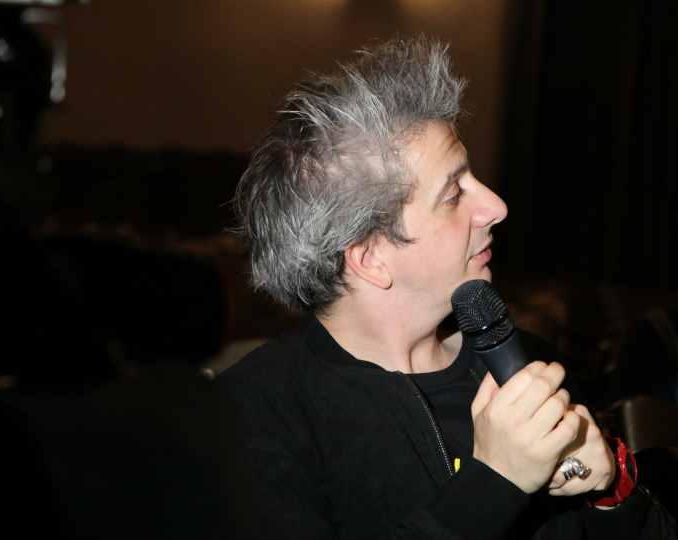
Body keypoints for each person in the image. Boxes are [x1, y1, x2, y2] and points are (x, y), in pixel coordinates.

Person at [214, 36, 674, 539]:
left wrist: (612, 492)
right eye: (454, 193)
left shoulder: (525, 362)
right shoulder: (256, 415)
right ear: (370, 258)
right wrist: (496, 482)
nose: (495, 206)